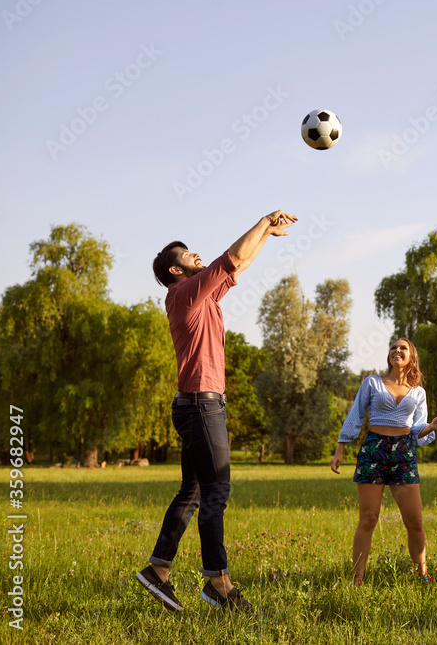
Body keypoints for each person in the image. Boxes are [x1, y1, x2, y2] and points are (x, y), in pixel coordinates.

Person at [138, 209, 298, 613]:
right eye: (189, 255)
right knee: (215, 492)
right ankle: (218, 583)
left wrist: (267, 234)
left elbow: (237, 263)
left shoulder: (202, 295)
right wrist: (262, 221)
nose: (197, 257)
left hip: (198, 406)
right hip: (201, 407)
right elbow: (229, 257)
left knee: (192, 492)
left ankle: (157, 572)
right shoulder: (185, 293)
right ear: (176, 269)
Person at [330, 338, 437, 585]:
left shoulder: (418, 392)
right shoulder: (372, 382)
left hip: (403, 453)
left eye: (403, 348)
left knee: (415, 521)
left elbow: (417, 430)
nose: (397, 350)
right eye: (393, 347)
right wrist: (341, 447)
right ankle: (357, 579)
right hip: (374, 449)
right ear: (389, 355)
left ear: (411, 357)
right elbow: (356, 414)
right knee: (369, 518)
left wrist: (431, 426)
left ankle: (423, 575)